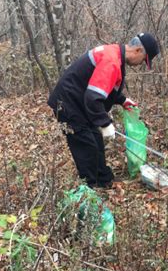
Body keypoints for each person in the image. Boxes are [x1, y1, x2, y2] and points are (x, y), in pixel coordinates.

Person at [48, 33, 159, 188]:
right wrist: (105, 123)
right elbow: (93, 97)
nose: (140, 64)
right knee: (87, 146)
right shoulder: (112, 61)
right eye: (143, 60)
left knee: (96, 141)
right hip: (68, 104)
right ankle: (90, 190)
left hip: (80, 102)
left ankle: (104, 181)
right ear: (139, 50)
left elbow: (105, 85)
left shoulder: (116, 54)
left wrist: (122, 100)